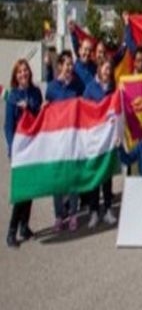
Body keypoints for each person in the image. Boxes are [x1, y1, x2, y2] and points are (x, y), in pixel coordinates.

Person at [5, 59, 43, 247]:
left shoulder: (36, 93)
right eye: (19, 72)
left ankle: (24, 226)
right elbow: (8, 127)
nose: (23, 74)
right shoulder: (13, 96)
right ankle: (11, 231)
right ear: (15, 76)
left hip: (33, 147)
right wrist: (13, 149)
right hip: (20, 150)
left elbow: (39, 118)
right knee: (21, 192)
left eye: (25, 70)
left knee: (31, 190)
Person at [46, 51, 82, 231]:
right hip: (57, 141)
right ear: (59, 65)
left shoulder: (77, 86)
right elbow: (46, 113)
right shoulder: (52, 88)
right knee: (58, 180)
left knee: (73, 179)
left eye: (71, 64)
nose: (69, 67)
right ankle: (59, 215)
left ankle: (74, 214)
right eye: (66, 64)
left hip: (72, 139)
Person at [83, 59, 117, 228]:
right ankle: (94, 211)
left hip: (108, 139)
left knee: (107, 176)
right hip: (95, 138)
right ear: (99, 69)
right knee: (96, 177)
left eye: (109, 69)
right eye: (105, 68)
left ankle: (109, 209)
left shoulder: (113, 88)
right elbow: (85, 110)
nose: (107, 71)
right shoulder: (90, 88)